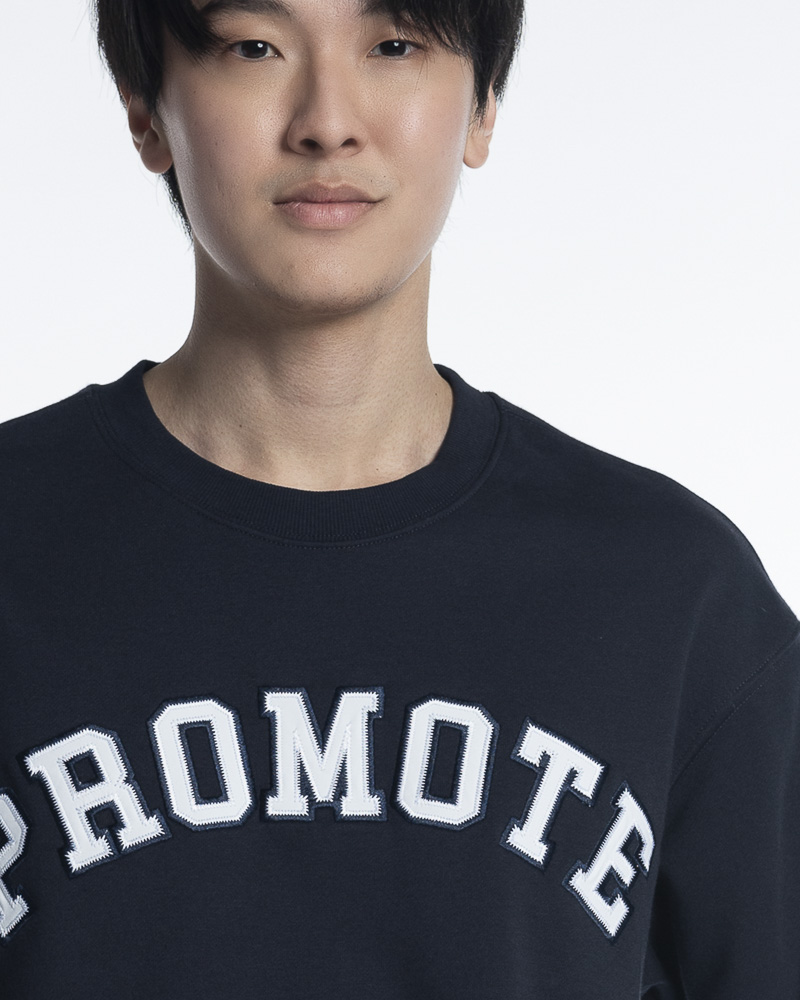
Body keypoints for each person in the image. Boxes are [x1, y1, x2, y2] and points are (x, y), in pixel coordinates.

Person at [0, 0, 797, 996]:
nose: (328, 121)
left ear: (482, 108)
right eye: (254, 47)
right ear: (144, 108)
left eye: (393, 45)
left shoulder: (675, 598)